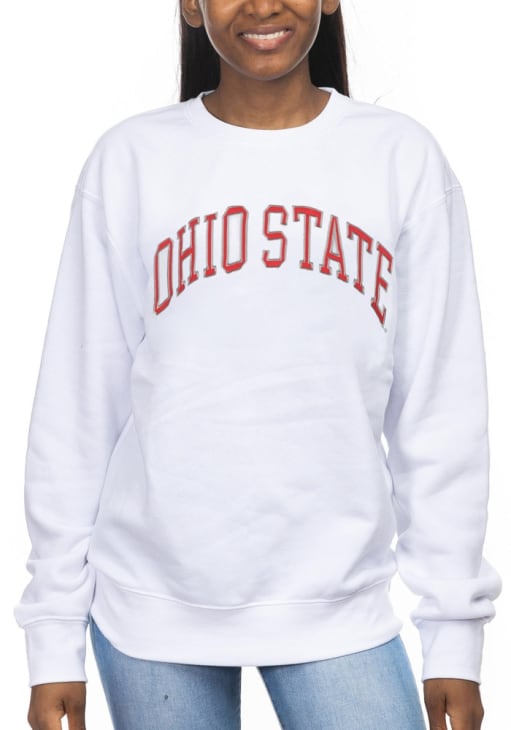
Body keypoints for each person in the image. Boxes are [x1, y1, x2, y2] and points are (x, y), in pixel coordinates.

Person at [14, 0, 502, 728]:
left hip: (338, 607)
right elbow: (76, 410)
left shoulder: (399, 159)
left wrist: (453, 635)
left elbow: (439, 413)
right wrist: (53, 637)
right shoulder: (132, 161)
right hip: (150, 611)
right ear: (191, 4)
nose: (264, 5)